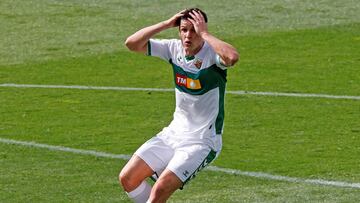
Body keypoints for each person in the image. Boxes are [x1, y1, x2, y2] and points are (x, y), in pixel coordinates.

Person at [119, 8, 239, 203]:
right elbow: (131, 44)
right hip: (173, 133)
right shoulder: (173, 49)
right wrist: (166, 23)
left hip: (202, 141)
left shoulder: (211, 55)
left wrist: (206, 34)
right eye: (184, 30)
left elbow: (232, 57)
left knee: (160, 189)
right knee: (128, 178)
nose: (188, 36)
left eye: (193, 31)